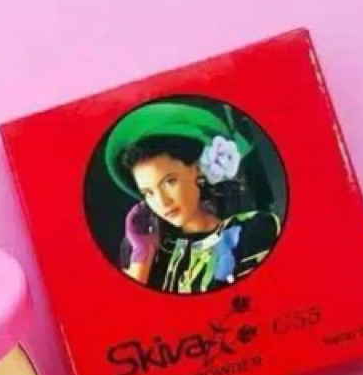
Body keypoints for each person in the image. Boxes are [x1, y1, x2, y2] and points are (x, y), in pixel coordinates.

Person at [103, 101, 281, 294]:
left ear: (197, 170)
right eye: (148, 193)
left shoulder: (251, 231)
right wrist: (142, 256)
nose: (162, 202)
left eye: (169, 181)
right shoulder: (157, 258)